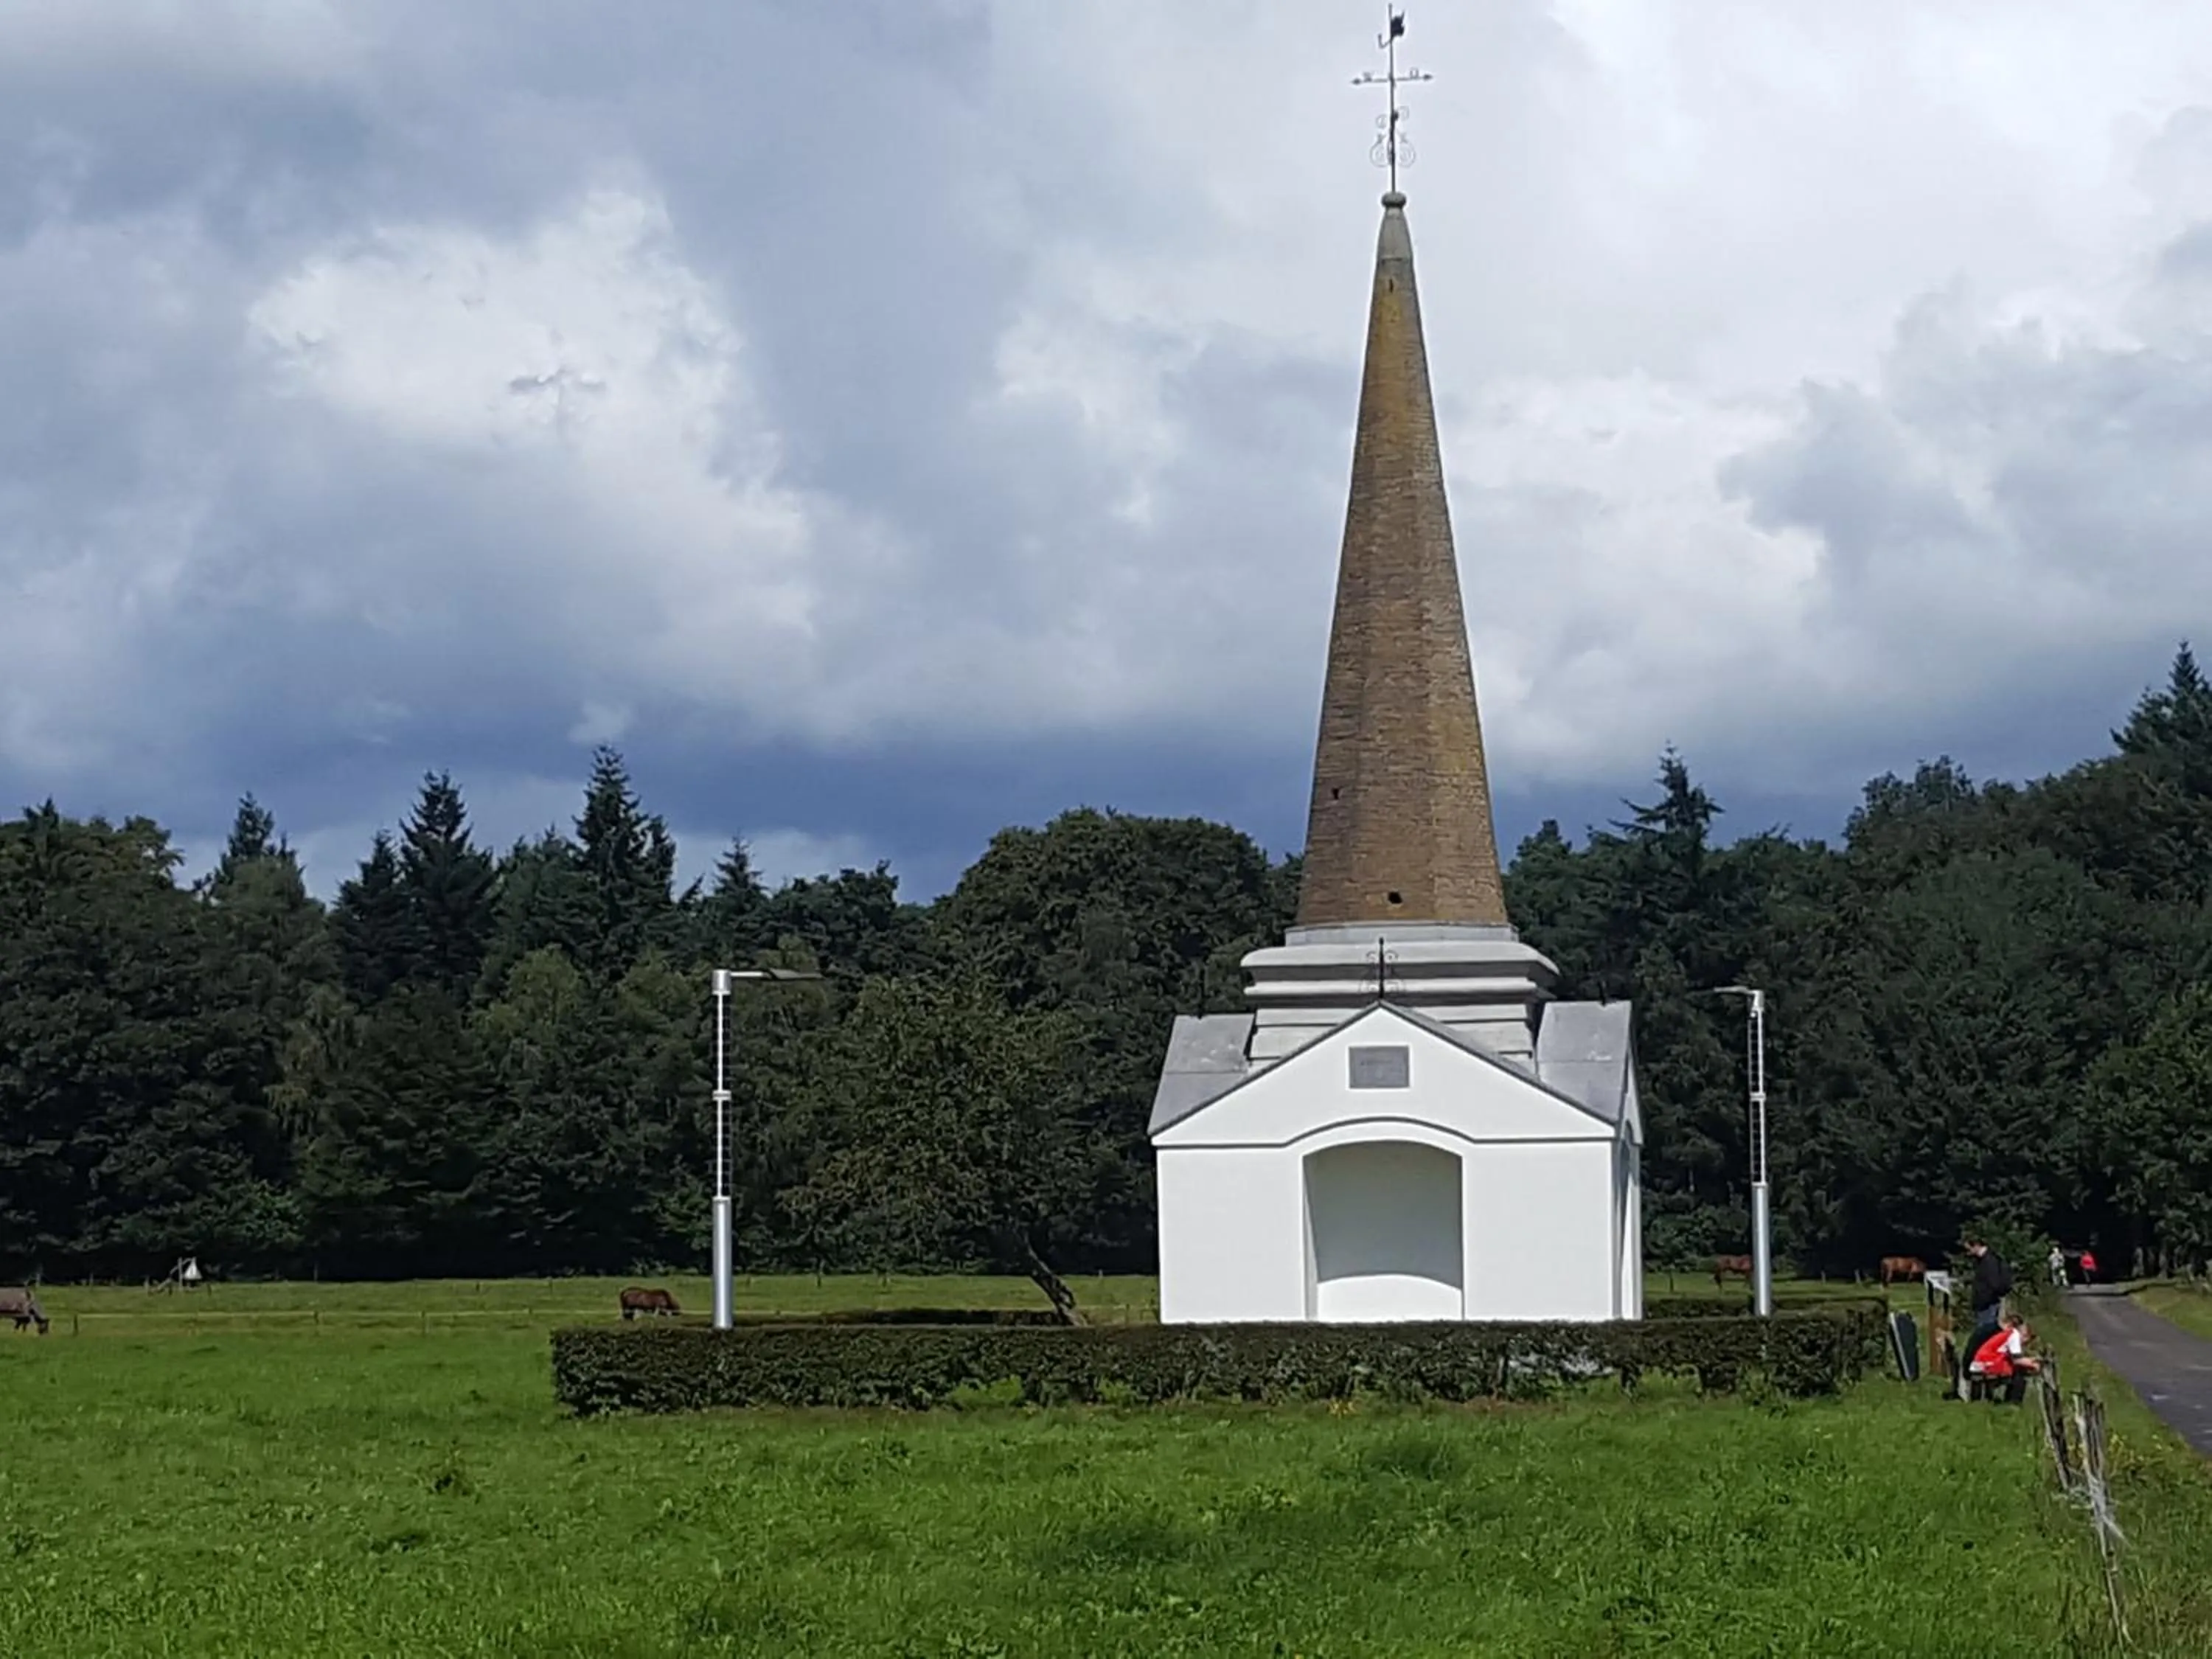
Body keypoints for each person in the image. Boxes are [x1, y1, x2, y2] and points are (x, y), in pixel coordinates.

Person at [1967, 1311, 2040, 1401]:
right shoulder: (2014, 1335)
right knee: (2018, 1374)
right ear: (2025, 1336)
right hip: (1987, 1365)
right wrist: (2033, 1364)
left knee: (2013, 1368)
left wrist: (2029, 1360)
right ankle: (2013, 1402)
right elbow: (2017, 1359)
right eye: (2025, 1343)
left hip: (1979, 1364)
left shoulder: (2007, 1334)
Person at [1964, 1234, 2011, 1365]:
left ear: (1976, 1246)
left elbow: (1993, 1283)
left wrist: (1986, 1297)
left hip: (1987, 1303)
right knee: (1984, 1332)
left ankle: (1985, 1360)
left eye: (1969, 1248)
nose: (1968, 1253)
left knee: (1985, 1333)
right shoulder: (1985, 1260)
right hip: (1986, 1302)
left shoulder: (1989, 1261)